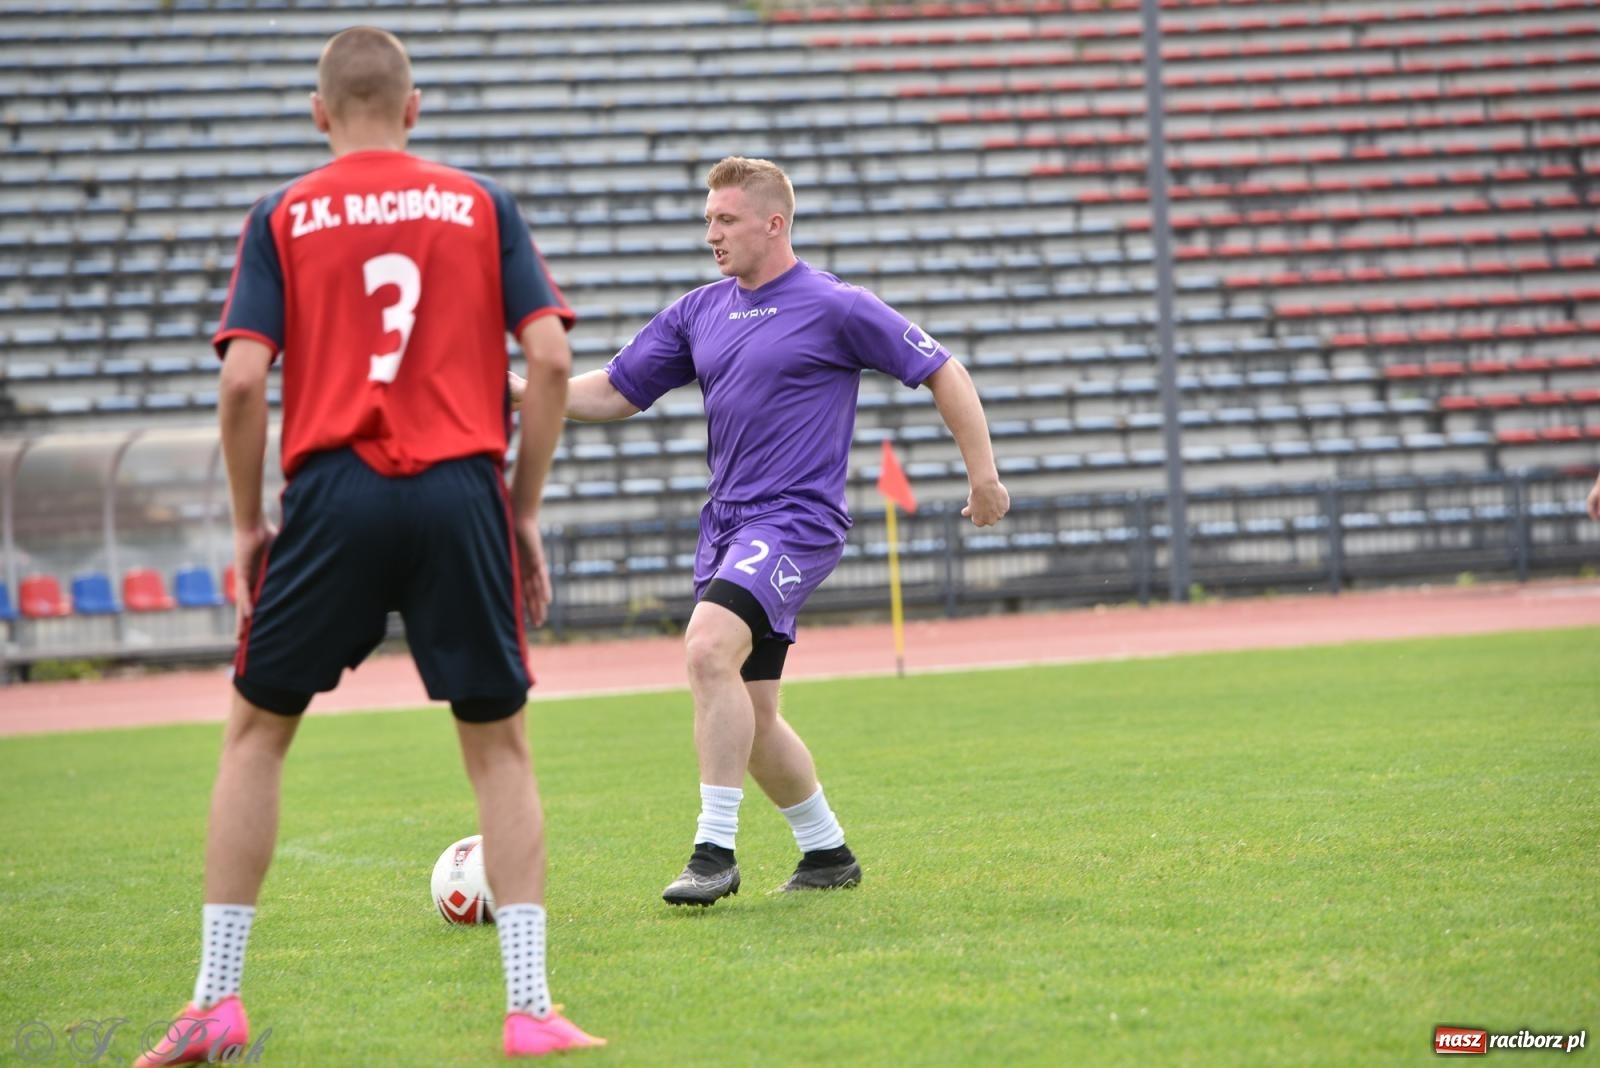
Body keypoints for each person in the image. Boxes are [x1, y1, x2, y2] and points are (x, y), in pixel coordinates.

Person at [136, 27, 602, 1064]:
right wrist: (519, 511)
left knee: (257, 735)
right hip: (458, 486)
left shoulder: (284, 213)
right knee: (499, 748)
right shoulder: (479, 204)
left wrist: (253, 522)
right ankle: (528, 1008)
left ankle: (217, 999)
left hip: (333, 490)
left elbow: (245, 382)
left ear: (317, 113)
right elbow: (554, 358)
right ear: (414, 107)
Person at [538, 156, 1010, 906]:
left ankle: (712, 852)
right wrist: (514, 390)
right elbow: (611, 394)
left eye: (725, 220)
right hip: (726, 526)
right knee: (752, 719)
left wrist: (981, 475)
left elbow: (942, 370)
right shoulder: (699, 311)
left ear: (773, 223)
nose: (711, 235)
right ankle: (827, 855)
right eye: (707, 221)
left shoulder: (837, 306)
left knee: (704, 648)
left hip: (796, 520)